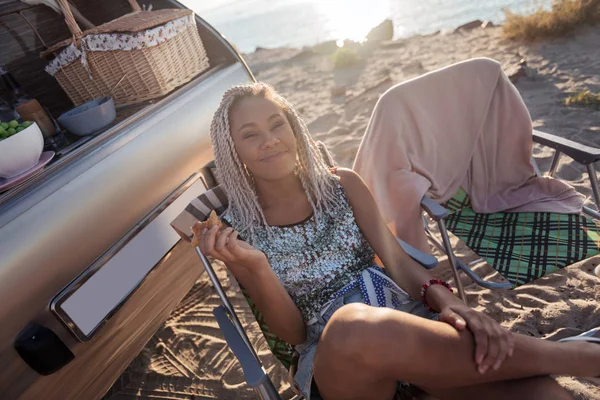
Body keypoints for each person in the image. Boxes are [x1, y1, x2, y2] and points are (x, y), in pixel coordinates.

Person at [196, 82, 600, 400]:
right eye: (251, 135)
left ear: (293, 126)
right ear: (235, 153)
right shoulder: (238, 232)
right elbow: (294, 335)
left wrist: (452, 303)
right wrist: (256, 266)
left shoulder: (343, 186)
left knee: (545, 395)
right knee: (352, 326)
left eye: (276, 124)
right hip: (341, 366)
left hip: (410, 331)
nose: (269, 140)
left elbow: (398, 262)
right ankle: (582, 355)